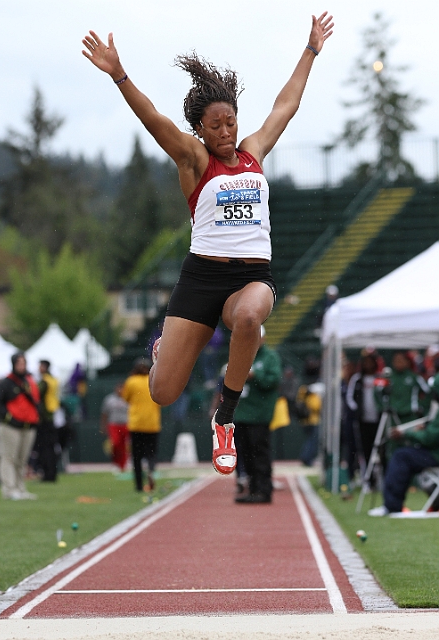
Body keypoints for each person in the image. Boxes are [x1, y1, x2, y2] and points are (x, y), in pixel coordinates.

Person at [82, 12, 334, 476]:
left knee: (251, 317)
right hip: (202, 276)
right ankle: (163, 355)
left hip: (251, 276)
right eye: (215, 126)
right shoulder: (194, 159)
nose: (225, 132)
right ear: (201, 129)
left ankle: (225, 416)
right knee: (164, 392)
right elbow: (154, 120)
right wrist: (119, 74)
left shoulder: (253, 153)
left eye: (230, 123)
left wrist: (311, 49)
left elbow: (286, 105)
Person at [234, 326, 282, 504]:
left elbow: (274, 380)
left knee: (259, 453)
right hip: (242, 413)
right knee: (246, 454)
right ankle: (252, 489)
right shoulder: (243, 353)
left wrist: (256, 375)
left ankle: (263, 490)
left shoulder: (270, 357)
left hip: (259, 414)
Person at [368, 413, 439, 516]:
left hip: (435, 455)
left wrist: (406, 433)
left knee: (402, 457)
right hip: (434, 453)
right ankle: (392, 505)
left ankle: (392, 506)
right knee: (404, 455)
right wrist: (425, 428)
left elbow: (430, 438)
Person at [0, 352, 40, 500]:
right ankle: (9, 489)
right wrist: (9, 418)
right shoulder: (6, 383)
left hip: (28, 426)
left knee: (22, 459)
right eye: (19, 363)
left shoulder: (29, 381)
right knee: (8, 458)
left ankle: (20, 487)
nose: (22, 366)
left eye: (24, 363)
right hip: (10, 427)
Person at [122, 358, 161, 492]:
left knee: (137, 457)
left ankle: (139, 485)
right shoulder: (153, 381)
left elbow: (125, 398)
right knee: (151, 454)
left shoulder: (131, 381)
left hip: (136, 423)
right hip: (152, 423)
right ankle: (150, 470)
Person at [35, 360, 60, 482]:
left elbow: (36, 396)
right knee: (51, 447)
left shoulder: (44, 381)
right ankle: (52, 473)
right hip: (52, 416)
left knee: (45, 448)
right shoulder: (54, 380)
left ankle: (47, 474)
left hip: (45, 418)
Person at [100, 383, 129, 472]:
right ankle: (115, 462)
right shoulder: (109, 399)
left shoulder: (128, 398)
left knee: (124, 446)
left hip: (125, 424)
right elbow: (104, 414)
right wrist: (103, 426)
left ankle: (123, 465)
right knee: (115, 443)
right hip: (113, 424)